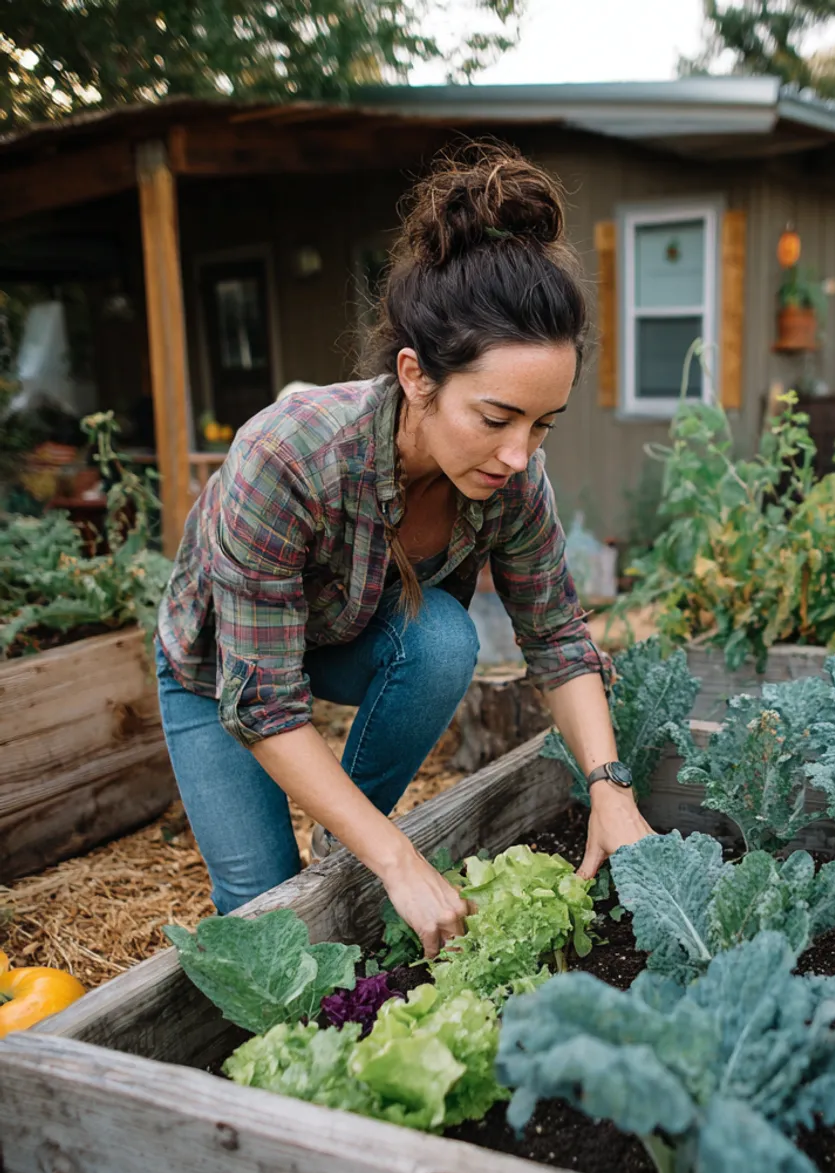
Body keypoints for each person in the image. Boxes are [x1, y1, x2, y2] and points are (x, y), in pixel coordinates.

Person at [154, 146, 654, 958]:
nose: (520, 454)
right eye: (496, 419)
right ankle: (365, 846)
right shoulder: (285, 460)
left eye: (543, 425)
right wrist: (401, 860)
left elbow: (559, 640)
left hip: (342, 638)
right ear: (416, 376)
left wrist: (609, 789)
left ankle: (348, 841)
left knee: (443, 640)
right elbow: (265, 704)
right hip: (220, 673)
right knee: (271, 922)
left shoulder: (514, 480)